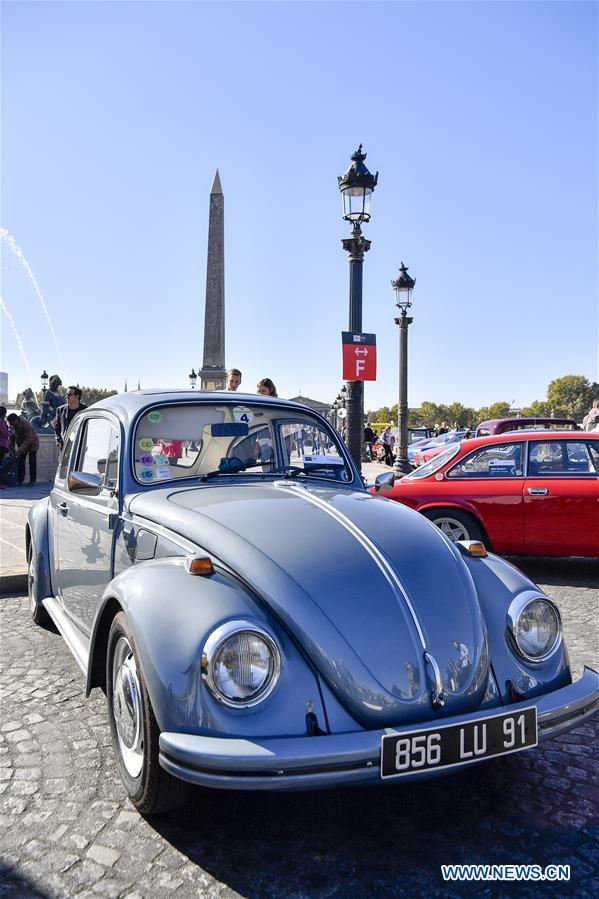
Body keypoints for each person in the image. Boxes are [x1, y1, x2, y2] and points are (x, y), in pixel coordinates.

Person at [7, 413, 39, 484]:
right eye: (10, 423)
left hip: (32, 444)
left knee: (32, 462)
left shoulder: (26, 424)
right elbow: (12, 438)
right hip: (22, 445)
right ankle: (20, 479)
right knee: (21, 462)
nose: (11, 424)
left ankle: (32, 480)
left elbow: (28, 439)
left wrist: (20, 450)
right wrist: (11, 449)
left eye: (12, 423)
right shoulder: (12, 425)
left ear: (16, 420)